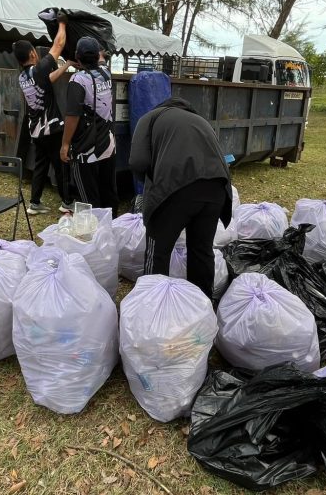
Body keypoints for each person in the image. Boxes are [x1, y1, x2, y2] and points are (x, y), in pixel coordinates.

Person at [130, 96, 233, 297]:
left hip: (174, 187)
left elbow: (138, 162)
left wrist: (151, 186)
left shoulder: (150, 118)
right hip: (217, 188)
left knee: (157, 250)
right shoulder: (201, 120)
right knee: (201, 251)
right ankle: (202, 305)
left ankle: (153, 304)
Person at [15, 18, 74, 215]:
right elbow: (58, 44)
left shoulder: (23, 77)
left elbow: (48, 81)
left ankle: (35, 203)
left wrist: (66, 66)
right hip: (52, 128)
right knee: (61, 164)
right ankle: (67, 202)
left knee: (41, 165)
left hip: (36, 130)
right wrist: (63, 24)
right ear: (33, 53)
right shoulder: (39, 69)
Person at [60, 36, 118, 211]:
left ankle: (97, 235)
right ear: (97, 56)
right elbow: (100, 59)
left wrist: (65, 144)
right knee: (109, 192)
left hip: (86, 150)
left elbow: (72, 116)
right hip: (108, 146)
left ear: (77, 56)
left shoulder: (78, 81)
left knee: (89, 199)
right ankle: (111, 230)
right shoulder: (106, 73)